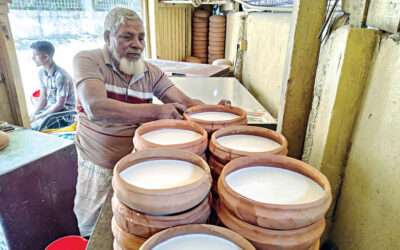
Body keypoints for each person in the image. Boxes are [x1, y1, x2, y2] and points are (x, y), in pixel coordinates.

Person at [72, 7, 230, 237]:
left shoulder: (150, 72)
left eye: (141, 38)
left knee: (133, 225)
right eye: (127, 37)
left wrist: (216, 111)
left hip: (139, 165)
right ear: (108, 38)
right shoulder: (88, 61)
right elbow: (95, 108)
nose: (137, 44)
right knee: (97, 228)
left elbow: (185, 102)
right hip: (98, 165)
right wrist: (156, 112)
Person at [29, 41, 76, 130]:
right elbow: (43, 97)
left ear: (46, 57)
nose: (32, 58)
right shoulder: (41, 73)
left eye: (35, 55)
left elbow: (60, 105)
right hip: (51, 110)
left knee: (32, 128)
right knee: (26, 122)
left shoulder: (61, 76)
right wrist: (34, 115)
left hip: (65, 115)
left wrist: (38, 117)